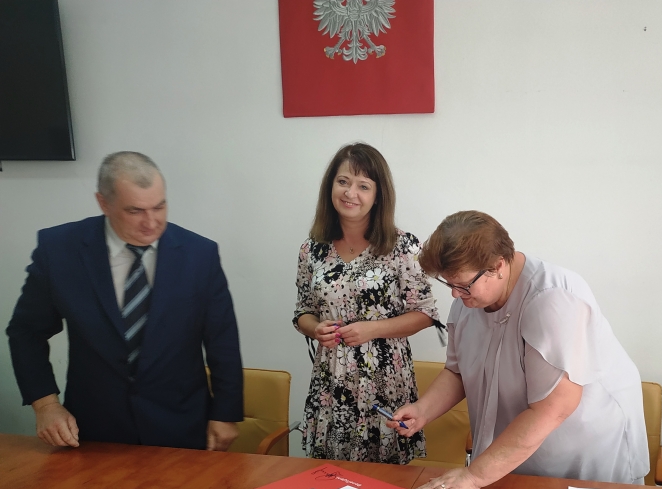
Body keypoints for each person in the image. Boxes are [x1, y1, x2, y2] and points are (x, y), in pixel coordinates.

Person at [391, 210, 649, 489]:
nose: (454, 295)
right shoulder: (469, 299)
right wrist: (423, 411)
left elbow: (554, 408)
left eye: (462, 285)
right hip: (519, 445)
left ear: (498, 266)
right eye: (449, 284)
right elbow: (458, 372)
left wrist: (474, 475)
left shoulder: (552, 299)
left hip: (584, 446)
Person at [7, 151, 243, 451]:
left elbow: (222, 338)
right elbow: (26, 331)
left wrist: (225, 413)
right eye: (135, 211)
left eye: (159, 206)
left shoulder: (199, 255)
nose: (151, 222)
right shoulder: (60, 251)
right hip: (93, 428)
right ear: (103, 203)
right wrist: (46, 405)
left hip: (181, 424)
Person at [293, 143, 442, 463]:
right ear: (330, 186)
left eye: (363, 186)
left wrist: (372, 329)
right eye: (343, 182)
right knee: (329, 475)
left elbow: (425, 313)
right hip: (331, 380)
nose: (351, 193)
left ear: (378, 195)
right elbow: (302, 311)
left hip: (385, 379)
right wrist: (315, 328)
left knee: (385, 478)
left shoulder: (402, 246)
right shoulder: (312, 249)